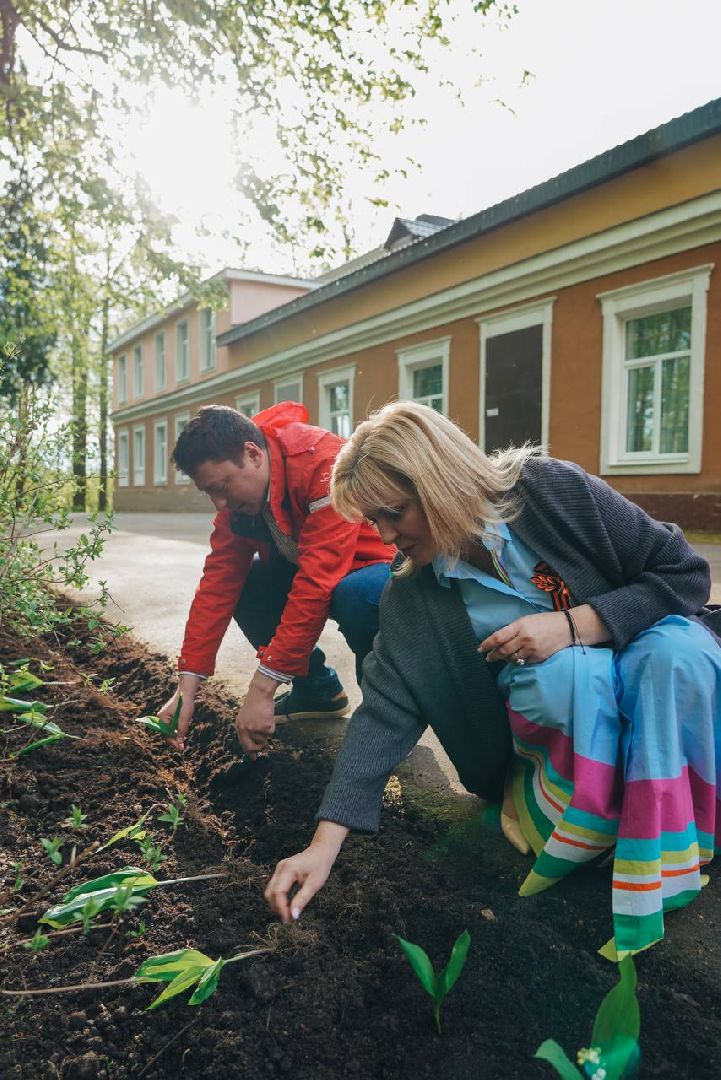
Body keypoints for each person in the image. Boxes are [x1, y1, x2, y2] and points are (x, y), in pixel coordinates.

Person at [265, 400, 721, 959]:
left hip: (644, 678)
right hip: (554, 741)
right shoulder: (413, 596)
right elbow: (383, 713)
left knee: (680, 651)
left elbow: (684, 573)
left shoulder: (550, 491)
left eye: (394, 513)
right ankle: (583, 823)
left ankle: (680, 823)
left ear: (438, 480)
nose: (385, 536)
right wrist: (323, 843)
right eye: (373, 522)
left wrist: (572, 625)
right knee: (568, 674)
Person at [158, 402, 394, 756]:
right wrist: (186, 687)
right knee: (247, 585)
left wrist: (263, 687)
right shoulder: (238, 503)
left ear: (252, 454)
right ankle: (317, 692)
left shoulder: (321, 462)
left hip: (375, 569)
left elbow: (316, 582)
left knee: (357, 597)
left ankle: (385, 718)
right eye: (210, 492)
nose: (220, 504)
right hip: (315, 567)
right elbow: (217, 587)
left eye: (222, 486)